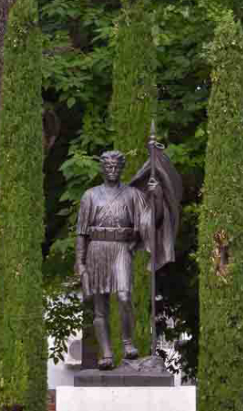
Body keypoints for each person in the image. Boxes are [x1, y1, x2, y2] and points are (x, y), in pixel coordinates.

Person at [75, 149, 180, 370]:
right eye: (108, 166)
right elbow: (81, 233)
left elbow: (151, 221)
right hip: (97, 249)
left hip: (121, 249)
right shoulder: (90, 196)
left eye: (116, 166)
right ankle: (106, 354)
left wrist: (157, 197)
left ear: (121, 169)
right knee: (100, 307)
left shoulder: (132, 195)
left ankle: (127, 343)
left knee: (124, 296)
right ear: (102, 169)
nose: (112, 170)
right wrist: (80, 263)